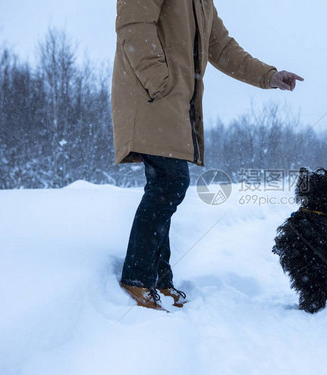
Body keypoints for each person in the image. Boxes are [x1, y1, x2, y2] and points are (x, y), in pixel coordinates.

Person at [111, 0, 304, 310]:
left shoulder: (202, 3)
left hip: (173, 102)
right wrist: (159, 79)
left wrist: (268, 76)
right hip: (150, 97)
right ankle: (136, 276)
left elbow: (224, 48)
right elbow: (134, 26)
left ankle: (159, 278)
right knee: (169, 182)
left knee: (166, 184)